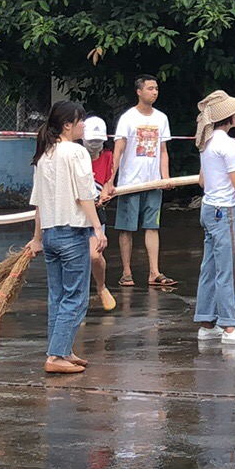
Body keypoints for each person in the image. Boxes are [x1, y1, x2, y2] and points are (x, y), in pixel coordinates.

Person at [25, 101, 107, 374]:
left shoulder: (44, 155)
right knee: (75, 298)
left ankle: (62, 350)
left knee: (58, 297)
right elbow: (85, 194)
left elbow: (39, 202)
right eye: (80, 120)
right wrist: (97, 228)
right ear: (67, 125)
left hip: (51, 234)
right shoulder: (75, 152)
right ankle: (56, 356)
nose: (84, 125)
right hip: (72, 232)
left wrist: (37, 238)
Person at [193, 90, 235, 345]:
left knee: (210, 267)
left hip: (209, 207)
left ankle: (207, 322)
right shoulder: (228, 144)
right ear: (228, 116)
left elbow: (202, 180)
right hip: (224, 210)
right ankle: (230, 325)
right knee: (230, 268)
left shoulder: (206, 142)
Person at [105, 75, 173, 289]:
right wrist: (110, 180)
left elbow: (163, 151)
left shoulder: (161, 118)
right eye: (150, 88)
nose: (154, 92)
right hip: (130, 183)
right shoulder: (128, 118)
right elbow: (118, 151)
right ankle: (126, 272)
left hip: (153, 183)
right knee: (126, 228)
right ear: (139, 91)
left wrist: (165, 177)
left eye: (156, 88)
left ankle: (154, 272)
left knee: (152, 226)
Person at [83, 115, 116, 310]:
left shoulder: (108, 156)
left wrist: (105, 191)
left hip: (96, 211)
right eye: (91, 141)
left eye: (98, 141)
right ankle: (80, 298)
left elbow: (109, 180)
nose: (94, 145)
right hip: (77, 212)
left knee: (95, 255)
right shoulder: (77, 156)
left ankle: (101, 286)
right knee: (78, 258)